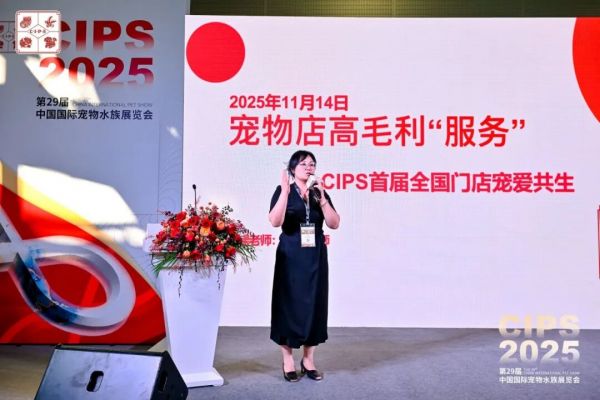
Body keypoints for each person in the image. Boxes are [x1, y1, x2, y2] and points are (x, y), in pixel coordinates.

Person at [268, 150, 340, 382]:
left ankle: (308, 360)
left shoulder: (319, 192)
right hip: (290, 256)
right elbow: (275, 221)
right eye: (303, 164)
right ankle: (288, 360)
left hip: (315, 256)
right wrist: (285, 192)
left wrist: (323, 199)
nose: (309, 167)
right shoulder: (283, 191)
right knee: (288, 304)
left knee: (314, 304)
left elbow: (334, 223)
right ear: (292, 169)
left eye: (312, 164)